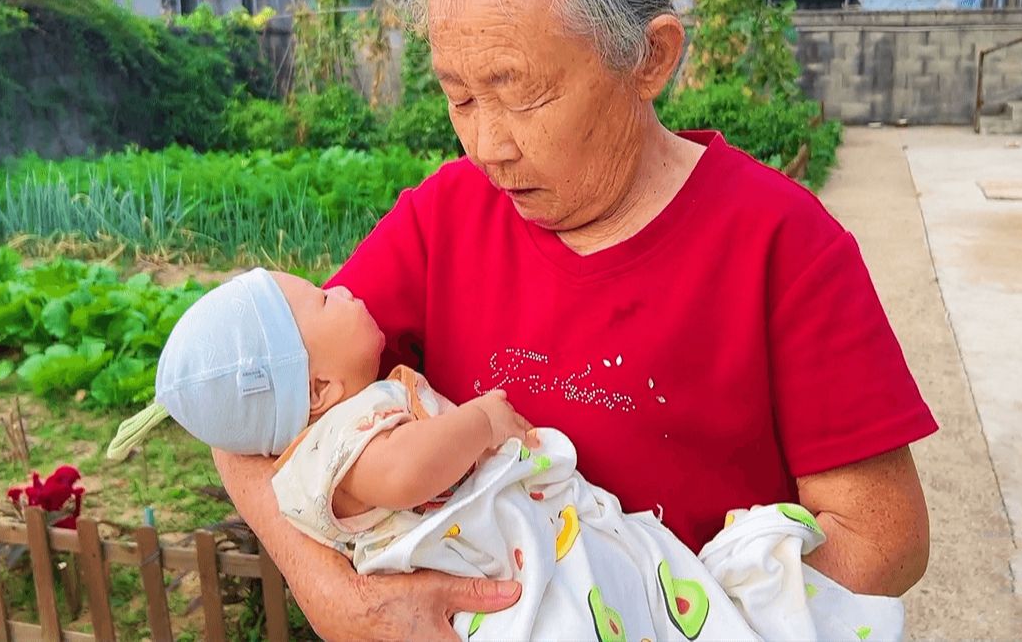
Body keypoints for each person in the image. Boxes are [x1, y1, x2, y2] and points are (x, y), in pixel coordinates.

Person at [214, 0, 936, 641]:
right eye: (457, 95)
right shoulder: (444, 218)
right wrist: (333, 593)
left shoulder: (780, 243)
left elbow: (882, 537)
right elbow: (250, 404)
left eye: (521, 91)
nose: (488, 145)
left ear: (648, 56)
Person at [156, 267, 905, 641]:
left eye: (519, 88)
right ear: (317, 387)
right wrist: (480, 420)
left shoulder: (338, 408)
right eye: (322, 300)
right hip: (514, 585)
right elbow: (401, 470)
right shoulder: (336, 446)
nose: (342, 287)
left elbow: (888, 540)